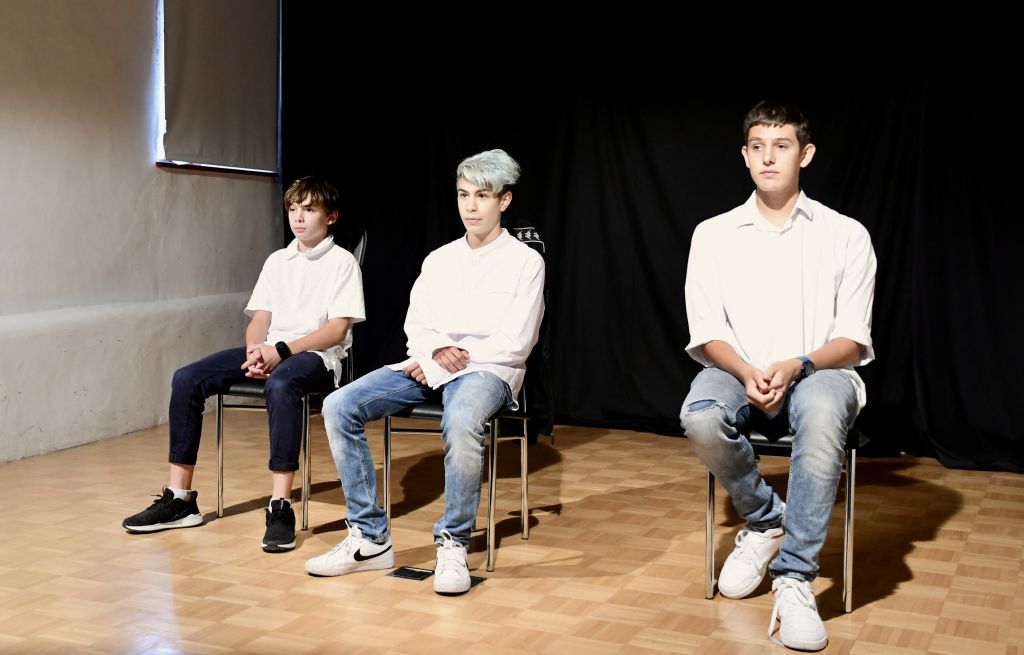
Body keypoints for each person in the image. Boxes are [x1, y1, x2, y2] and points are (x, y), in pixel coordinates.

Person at [679, 101, 876, 651]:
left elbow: (853, 338)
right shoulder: (713, 234)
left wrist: (797, 365)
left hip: (820, 372)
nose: (769, 157)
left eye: (781, 146)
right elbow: (706, 330)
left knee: (822, 412)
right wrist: (745, 370)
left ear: (804, 155)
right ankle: (767, 520)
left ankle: (795, 579)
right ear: (745, 156)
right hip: (735, 369)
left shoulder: (846, 234)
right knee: (700, 418)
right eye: (758, 147)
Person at [304, 148, 545, 595]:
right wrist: (436, 352)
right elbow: (416, 324)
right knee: (339, 405)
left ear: (504, 200)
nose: (470, 206)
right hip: (430, 361)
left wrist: (457, 355)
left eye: (482, 196)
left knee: (461, 418)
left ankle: (453, 542)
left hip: (489, 370)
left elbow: (518, 340)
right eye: (463, 195)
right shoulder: (440, 259)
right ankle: (370, 538)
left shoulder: (525, 261)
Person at [123, 176, 365, 553]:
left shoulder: (342, 262)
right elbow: (260, 318)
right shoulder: (277, 261)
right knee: (187, 378)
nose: (299, 217)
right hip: (271, 351)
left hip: (316, 357)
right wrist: (256, 350)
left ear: (330, 216)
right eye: (293, 209)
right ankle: (180, 499)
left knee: (281, 384)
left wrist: (280, 352)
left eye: (309, 209)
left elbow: (336, 330)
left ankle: (280, 505)